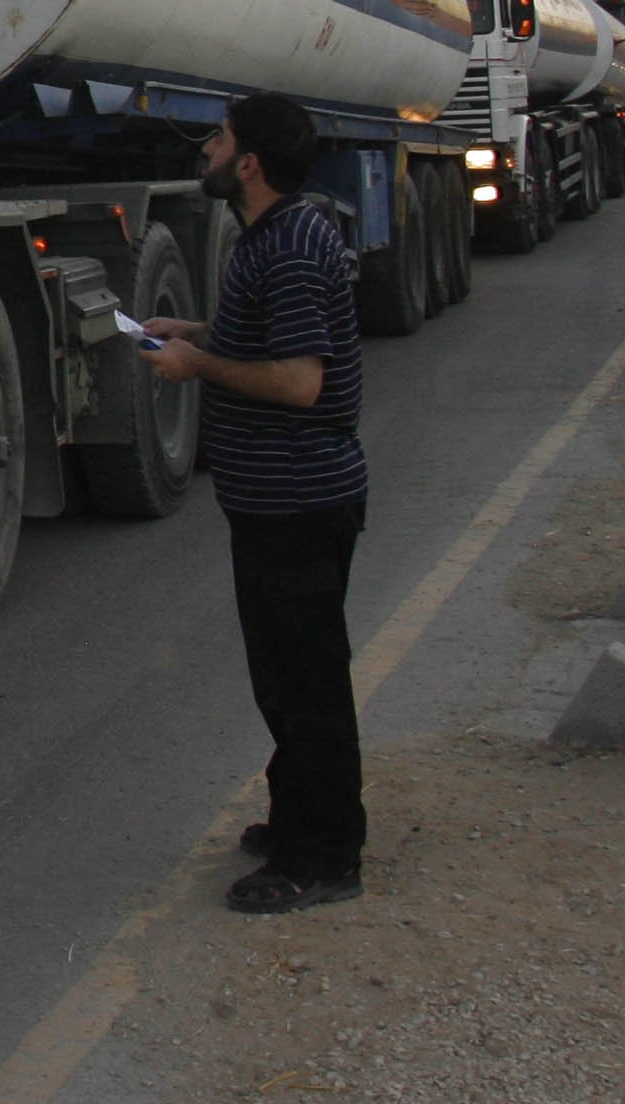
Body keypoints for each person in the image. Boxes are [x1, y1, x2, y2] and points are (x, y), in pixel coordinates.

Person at [136, 91, 370, 914]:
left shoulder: (291, 247)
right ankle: (298, 818)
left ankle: (324, 857)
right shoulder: (275, 235)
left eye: (221, 138)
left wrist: (197, 367)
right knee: (284, 677)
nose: (207, 149)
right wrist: (197, 334)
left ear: (251, 163)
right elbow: (276, 339)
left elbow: (301, 382)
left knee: (306, 682)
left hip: (298, 500)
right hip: (277, 500)